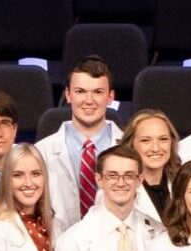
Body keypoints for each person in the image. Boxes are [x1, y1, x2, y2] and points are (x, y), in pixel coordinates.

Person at [35, 57, 126, 229]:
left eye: (98, 92)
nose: (89, 100)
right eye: (81, 91)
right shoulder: (42, 151)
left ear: (110, 97)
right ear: (68, 95)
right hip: (60, 247)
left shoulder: (131, 149)